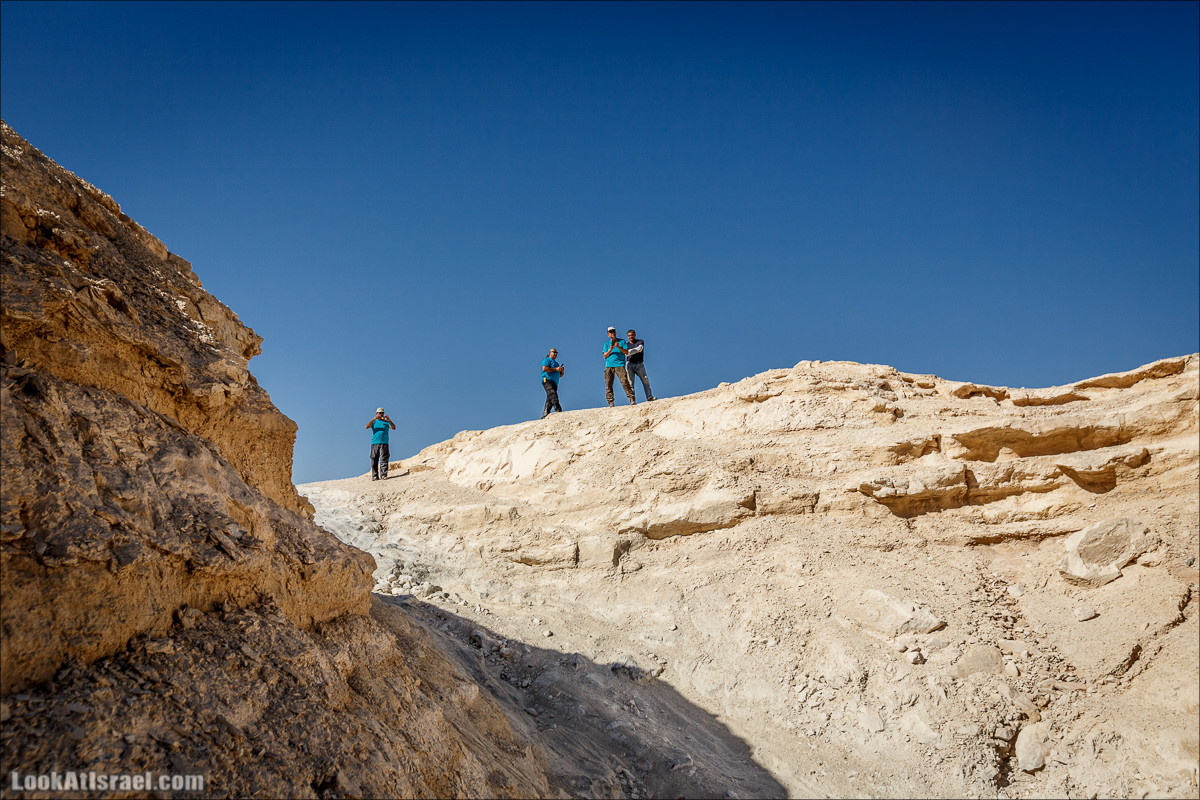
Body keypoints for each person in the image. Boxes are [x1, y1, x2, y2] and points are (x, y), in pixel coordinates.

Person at [602, 326, 636, 406]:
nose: (612, 333)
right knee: (608, 384)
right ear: (608, 334)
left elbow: (626, 352)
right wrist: (610, 349)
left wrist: (618, 347)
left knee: (624, 382)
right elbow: (605, 356)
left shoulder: (622, 341)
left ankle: (631, 399)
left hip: (619, 365)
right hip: (609, 365)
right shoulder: (606, 344)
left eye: (613, 331)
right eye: (610, 332)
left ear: (615, 332)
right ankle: (610, 402)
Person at [624, 328, 656, 402]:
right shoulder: (626, 344)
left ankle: (649, 397)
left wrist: (629, 352)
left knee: (645, 380)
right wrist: (629, 352)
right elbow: (626, 353)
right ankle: (632, 400)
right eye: (629, 335)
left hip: (639, 364)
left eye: (632, 335)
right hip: (630, 364)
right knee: (630, 383)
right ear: (627, 336)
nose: (631, 337)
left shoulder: (640, 341)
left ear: (635, 335)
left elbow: (639, 349)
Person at [365, 407, 396, 480]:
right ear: (376, 413)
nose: (381, 414)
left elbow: (394, 428)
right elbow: (367, 427)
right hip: (375, 443)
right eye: (380, 413)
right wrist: (373, 419)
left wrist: (389, 420)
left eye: (382, 413)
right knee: (374, 459)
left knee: (384, 459)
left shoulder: (386, 422)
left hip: (384, 443)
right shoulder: (374, 422)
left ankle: (383, 475)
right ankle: (375, 475)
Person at [541, 347, 565, 418]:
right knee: (553, 395)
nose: (555, 354)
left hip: (555, 383)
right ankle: (558, 409)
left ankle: (545, 413)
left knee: (550, 398)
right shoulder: (547, 360)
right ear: (549, 353)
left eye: (556, 352)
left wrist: (561, 371)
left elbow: (560, 375)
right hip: (547, 380)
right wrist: (556, 369)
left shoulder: (556, 363)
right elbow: (544, 368)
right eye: (553, 352)